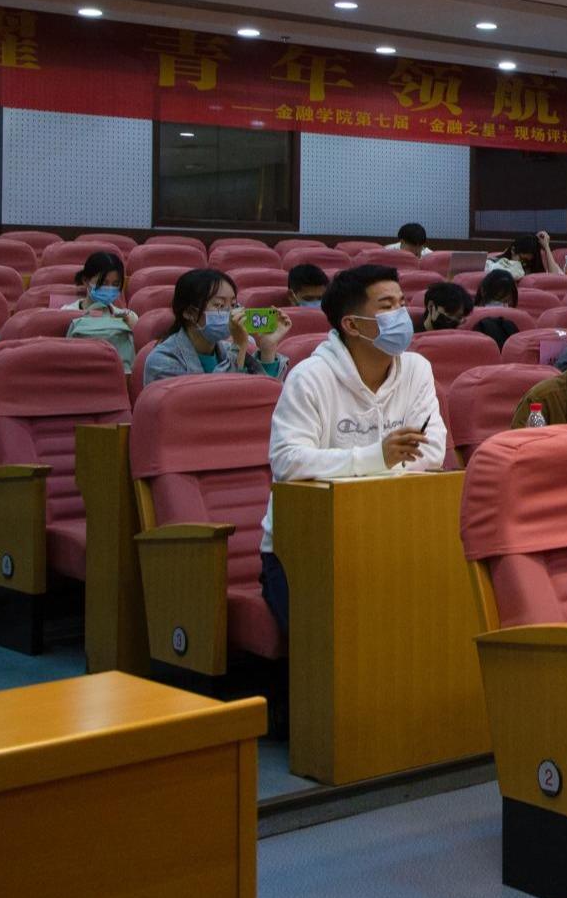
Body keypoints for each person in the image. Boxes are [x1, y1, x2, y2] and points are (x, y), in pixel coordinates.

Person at [262, 264, 446, 635]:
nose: (401, 314)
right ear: (352, 324)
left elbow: (430, 453)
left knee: (430, 620)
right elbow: (288, 461)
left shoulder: (417, 370)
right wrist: (376, 457)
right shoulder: (309, 377)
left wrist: (372, 465)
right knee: (343, 638)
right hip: (307, 547)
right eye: (387, 306)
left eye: (402, 302)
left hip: (389, 537)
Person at [142, 268, 289, 386]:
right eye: (219, 305)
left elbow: (263, 397)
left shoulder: (228, 348)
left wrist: (268, 349)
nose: (231, 313)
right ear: (189, 313)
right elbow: (216, 403)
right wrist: (238, 346)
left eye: (233, 305)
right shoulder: (162, 360)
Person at [62, 251, 139, 369]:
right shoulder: (66, 313)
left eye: (115, 284)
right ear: (85, 280)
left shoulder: (128, 317)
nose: (109, 288)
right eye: (103, 283)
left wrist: (132, 326)